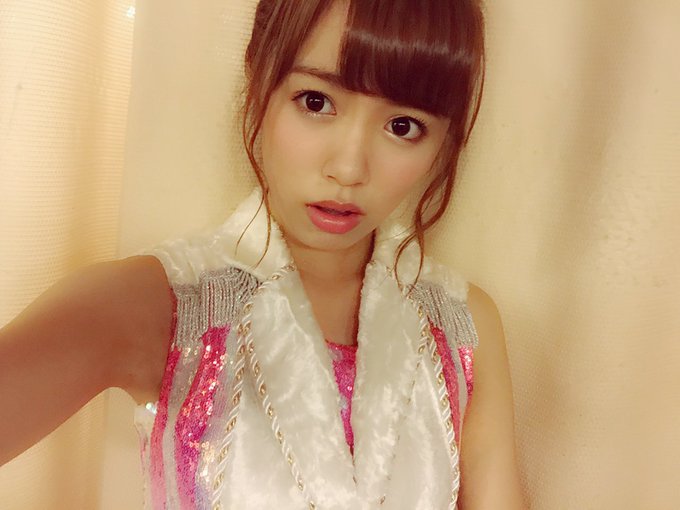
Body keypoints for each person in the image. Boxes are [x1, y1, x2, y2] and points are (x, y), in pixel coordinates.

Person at [0, 0, 525, 508]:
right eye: (316, 102)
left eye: (403, 126)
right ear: (260, 82)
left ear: (444, 142)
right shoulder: (164, 305)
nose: (348, 168)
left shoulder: (462, 325)